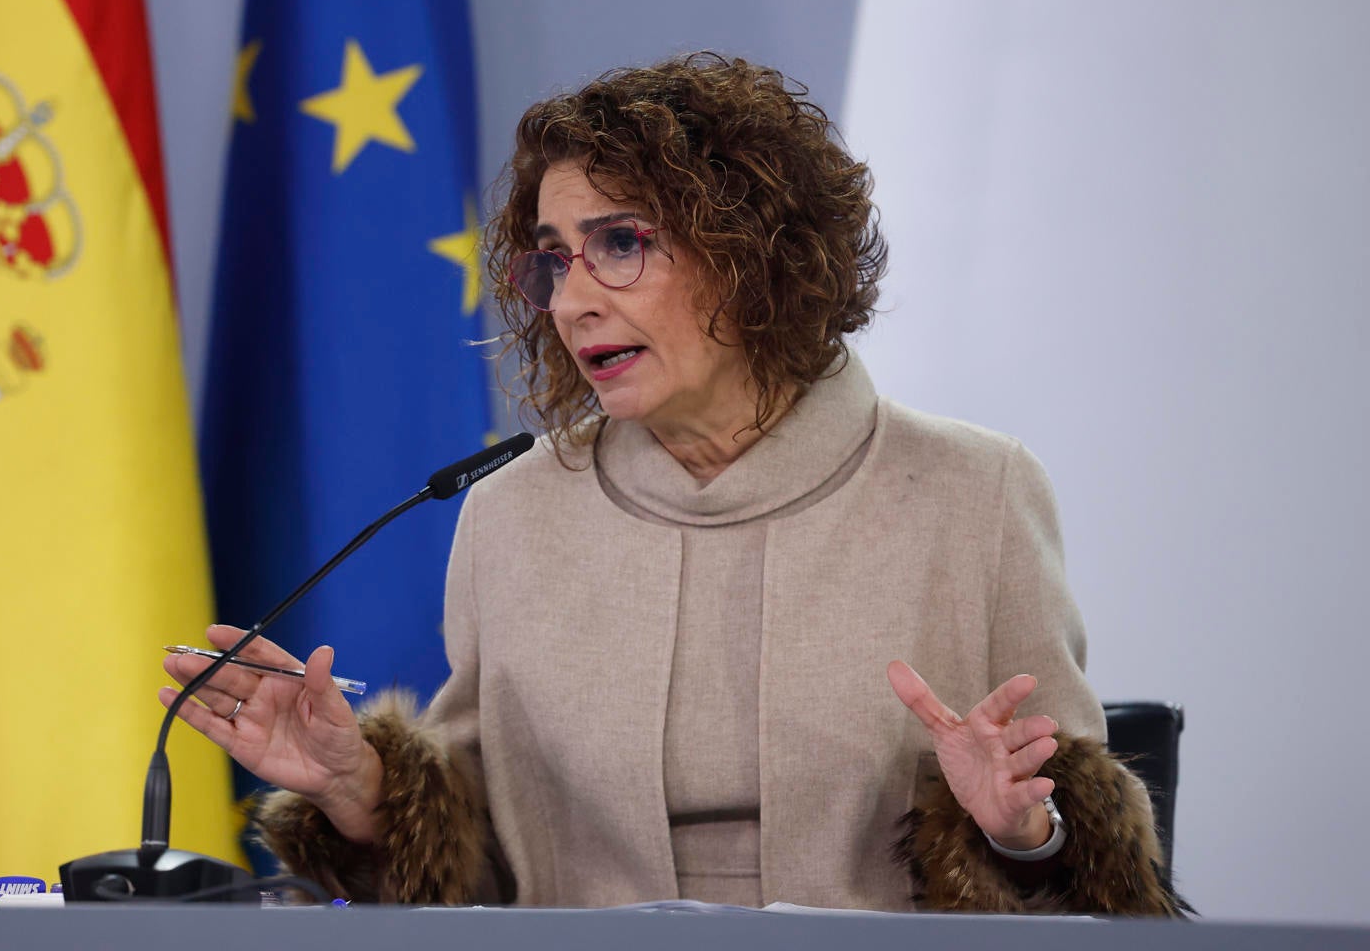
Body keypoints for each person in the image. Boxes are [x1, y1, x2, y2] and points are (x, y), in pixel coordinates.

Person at [164, 54, 1184, 913]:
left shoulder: (975, 492)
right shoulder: (512, 514)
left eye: (619, 242)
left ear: (755, 253)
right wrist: (362, 790)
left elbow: (1096, 891)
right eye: (554, 260)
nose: (572, 298)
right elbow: (477, 877)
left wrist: (1024, 828)